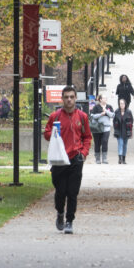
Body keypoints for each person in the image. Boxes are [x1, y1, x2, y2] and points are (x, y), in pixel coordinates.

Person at [42, 86, 91, 234]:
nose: (69, 100)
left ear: (75, 98)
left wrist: (83, 153)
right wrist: (53, 134)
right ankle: (60, 212)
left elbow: (87, 137)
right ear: (62, 99)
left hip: (76, 159)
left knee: (72, 192)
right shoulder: (55, 116)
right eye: (66, 97)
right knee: (60, 191)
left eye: (71, 97)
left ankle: (69, 220)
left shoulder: (82, 117)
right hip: (59, 160)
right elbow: (46, 133)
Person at [113, 98, 134, 164]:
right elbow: (114, 121)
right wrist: (115, 128)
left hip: (126, 131)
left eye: (123, 103)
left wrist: (130, 131)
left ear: (125, 104)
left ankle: (124, 159)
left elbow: (131, 121)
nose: (122, 105)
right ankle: (120, 159)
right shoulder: (116, 111)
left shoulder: (128, 112)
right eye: (120, 103)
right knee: (120, 144)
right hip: (119, 130)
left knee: (125, 145)